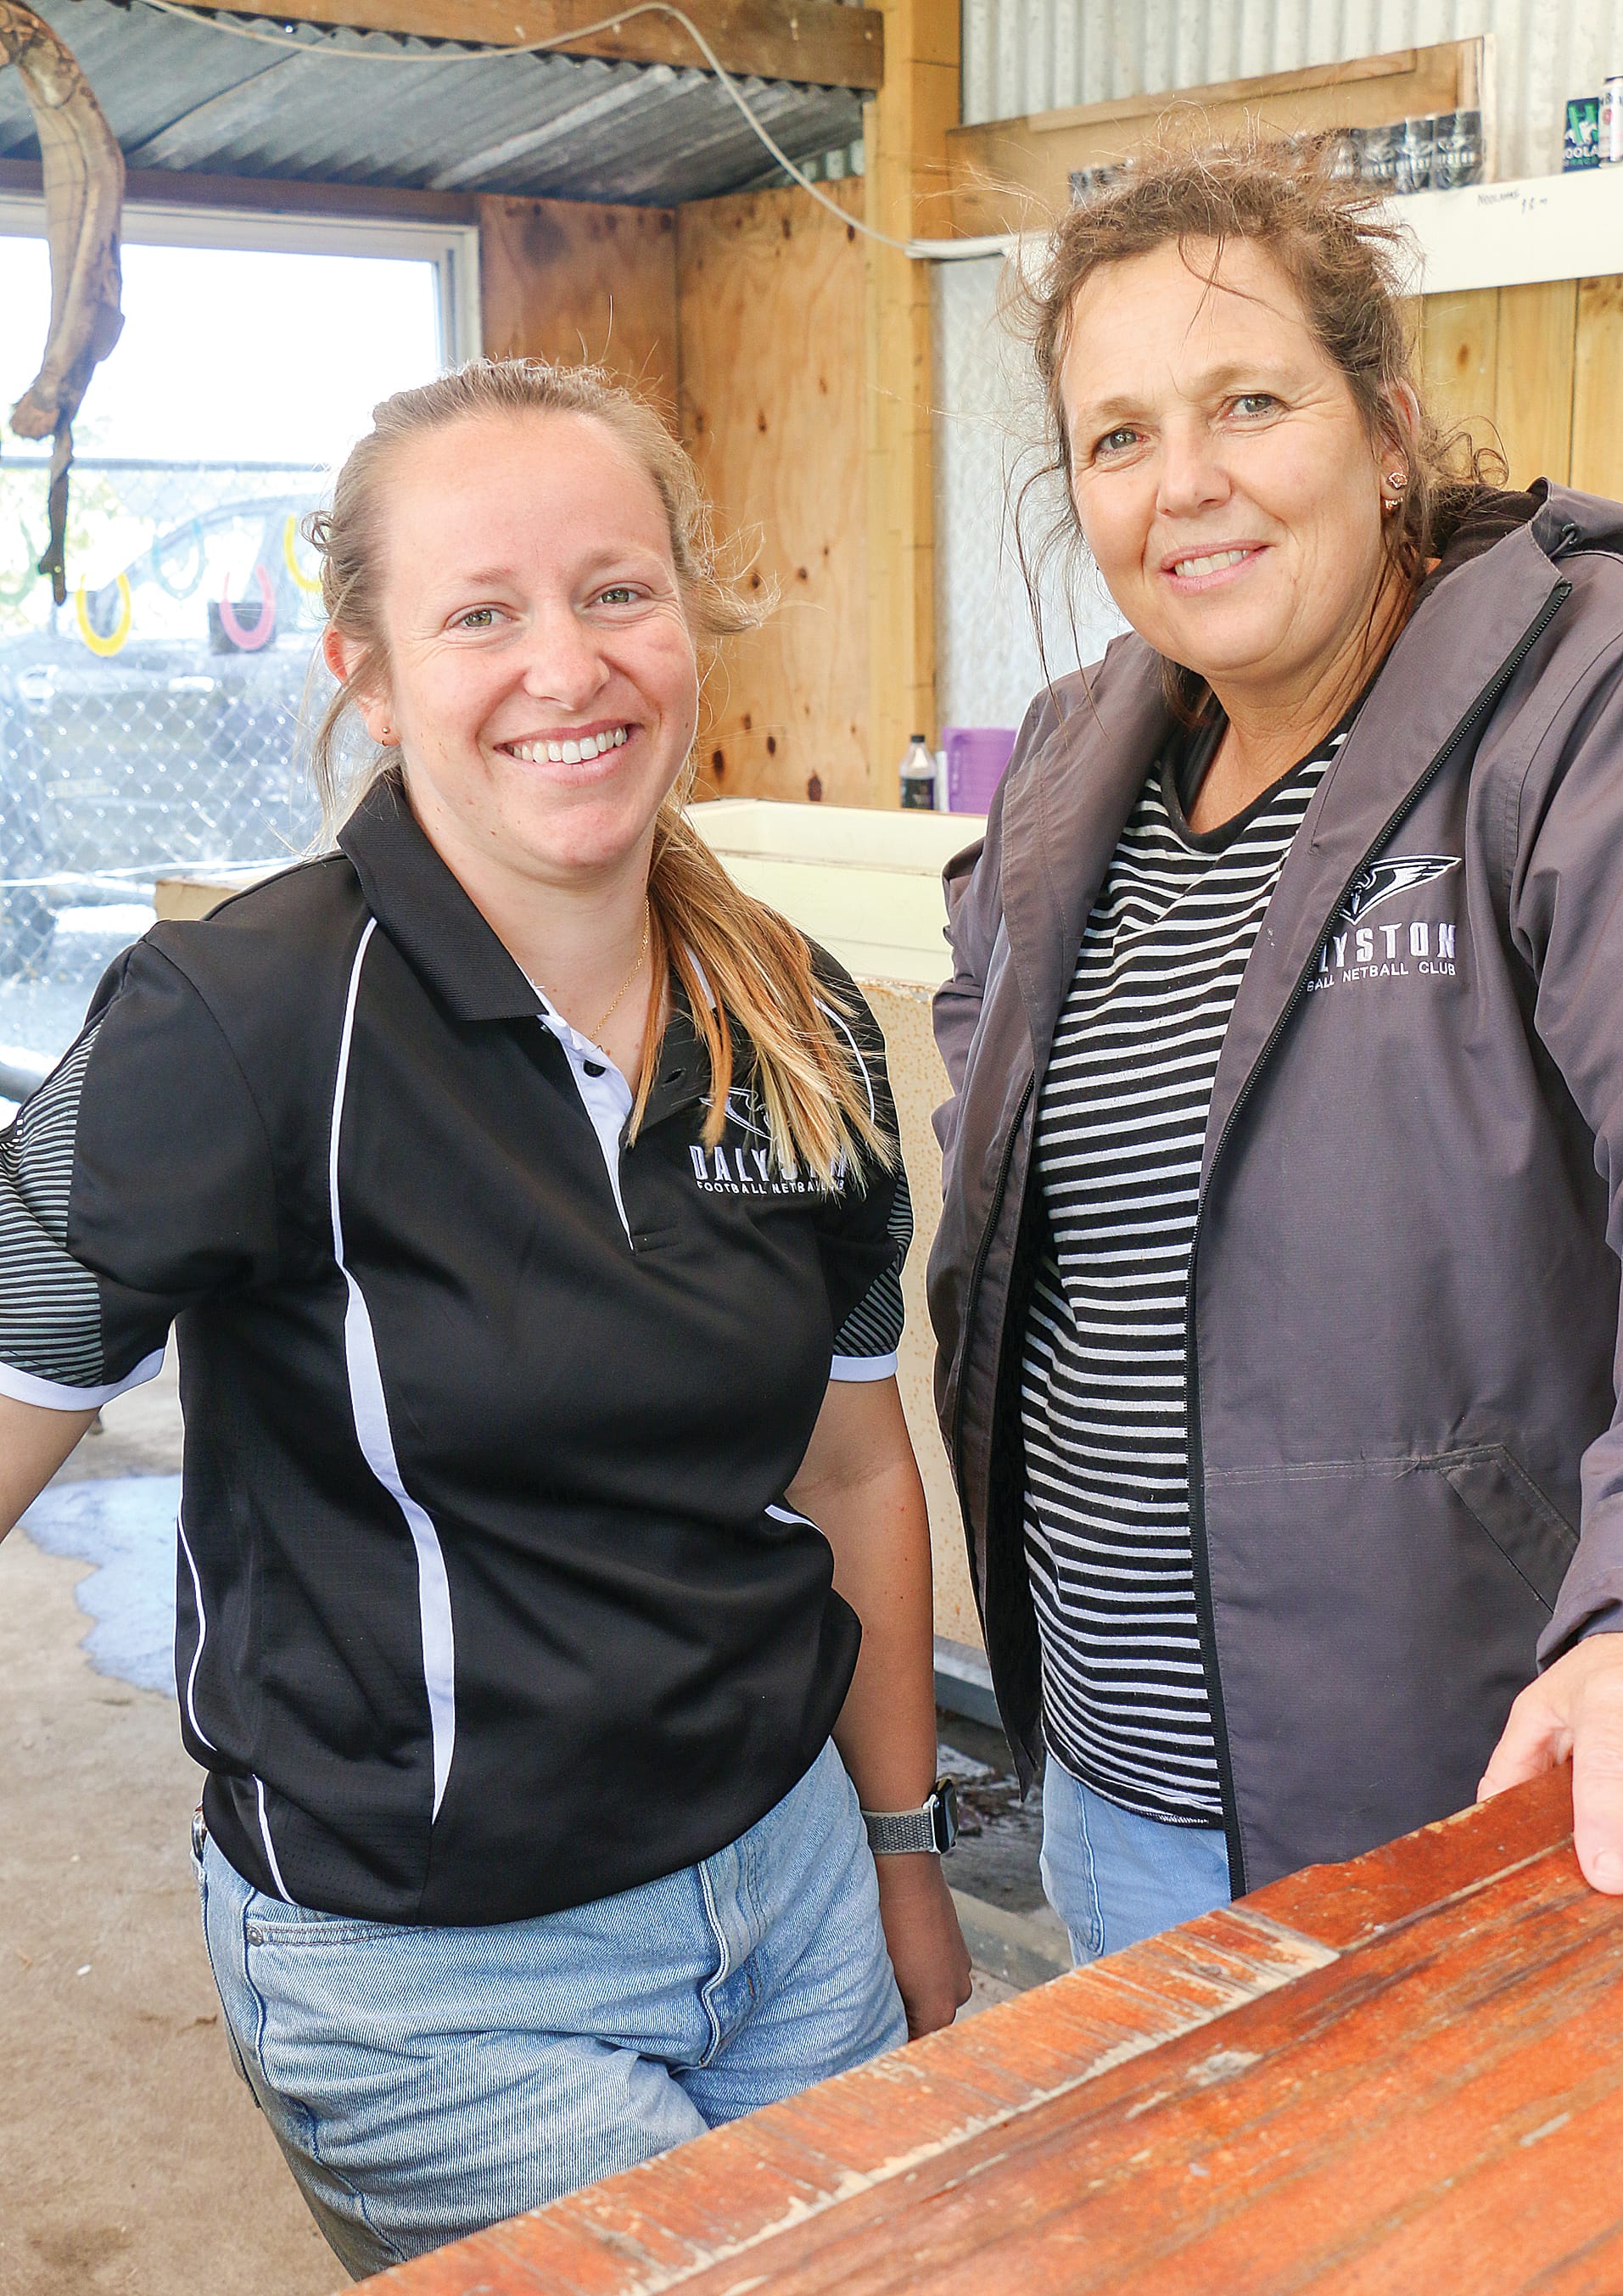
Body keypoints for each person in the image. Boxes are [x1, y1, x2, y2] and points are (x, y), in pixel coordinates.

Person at [0, 357, 970, 2277]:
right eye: (479, 613)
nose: (566, 666)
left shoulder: (795, 1012)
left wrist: (901, 1856)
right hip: (431, 1986)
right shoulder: (232, 1023)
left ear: (688, 617)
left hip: (793, 1900)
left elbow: (856, 1473)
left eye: (615, 592)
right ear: (364, 671)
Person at [927, 142, 1623, 1968]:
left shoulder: (1574, 706)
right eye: (1119, 436)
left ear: (1385, 430)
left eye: (1247, 402)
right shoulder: (1080, 755)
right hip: (1107, 1793)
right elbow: (985, 1037)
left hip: (1455, 1789)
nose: (1187, 483)